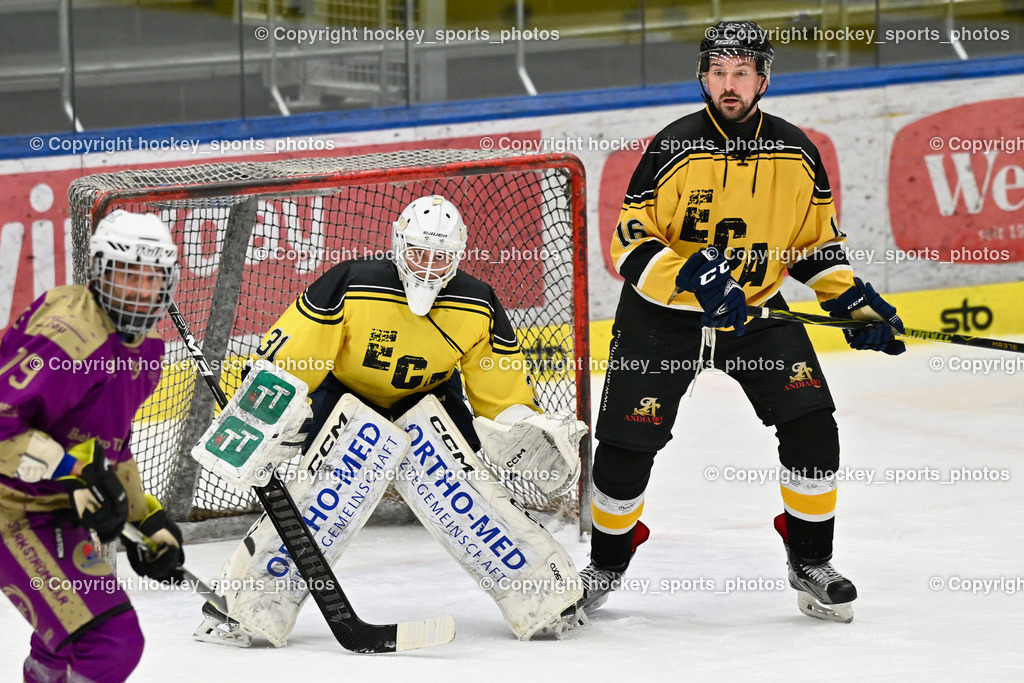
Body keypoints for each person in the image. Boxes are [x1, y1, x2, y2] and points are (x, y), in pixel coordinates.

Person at [577, 20, 905, 624]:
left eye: (742, 73)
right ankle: (608, 560)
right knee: (625, 451)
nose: (730, 85)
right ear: (703, 77)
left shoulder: (797, 152)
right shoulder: (671, 147)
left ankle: (810, 560)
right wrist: (691, 277)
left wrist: (852, 302)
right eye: (719, 72)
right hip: (663, 318)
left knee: (813, 427)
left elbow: (814, 244)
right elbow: (629, 244)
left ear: (762, 80)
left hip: (755, 312)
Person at [196, 194, 586, 645]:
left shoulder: (478, 302)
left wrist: (522, 427)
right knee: (320, 501)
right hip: (343, 396)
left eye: (441, 257)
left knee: (471, 496)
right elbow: (293, 360)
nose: (428, 266)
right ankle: (241, 610)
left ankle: (547, 600)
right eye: (419, 252)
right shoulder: (351, 282)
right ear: (399, 244)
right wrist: (263, 416)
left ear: (457, 257)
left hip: (430, 400)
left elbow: (500, 392)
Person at [0, 210, 186, 682]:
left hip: (46, 506)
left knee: (65, 636)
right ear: (99, 273)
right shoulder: (69, 341)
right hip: (10, 510)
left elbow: (109, 447)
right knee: (109, 640)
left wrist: (148, 519)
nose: (141, 292)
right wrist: (71, 471)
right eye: (127, 276)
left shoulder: (143, 354)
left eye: (153, 278)